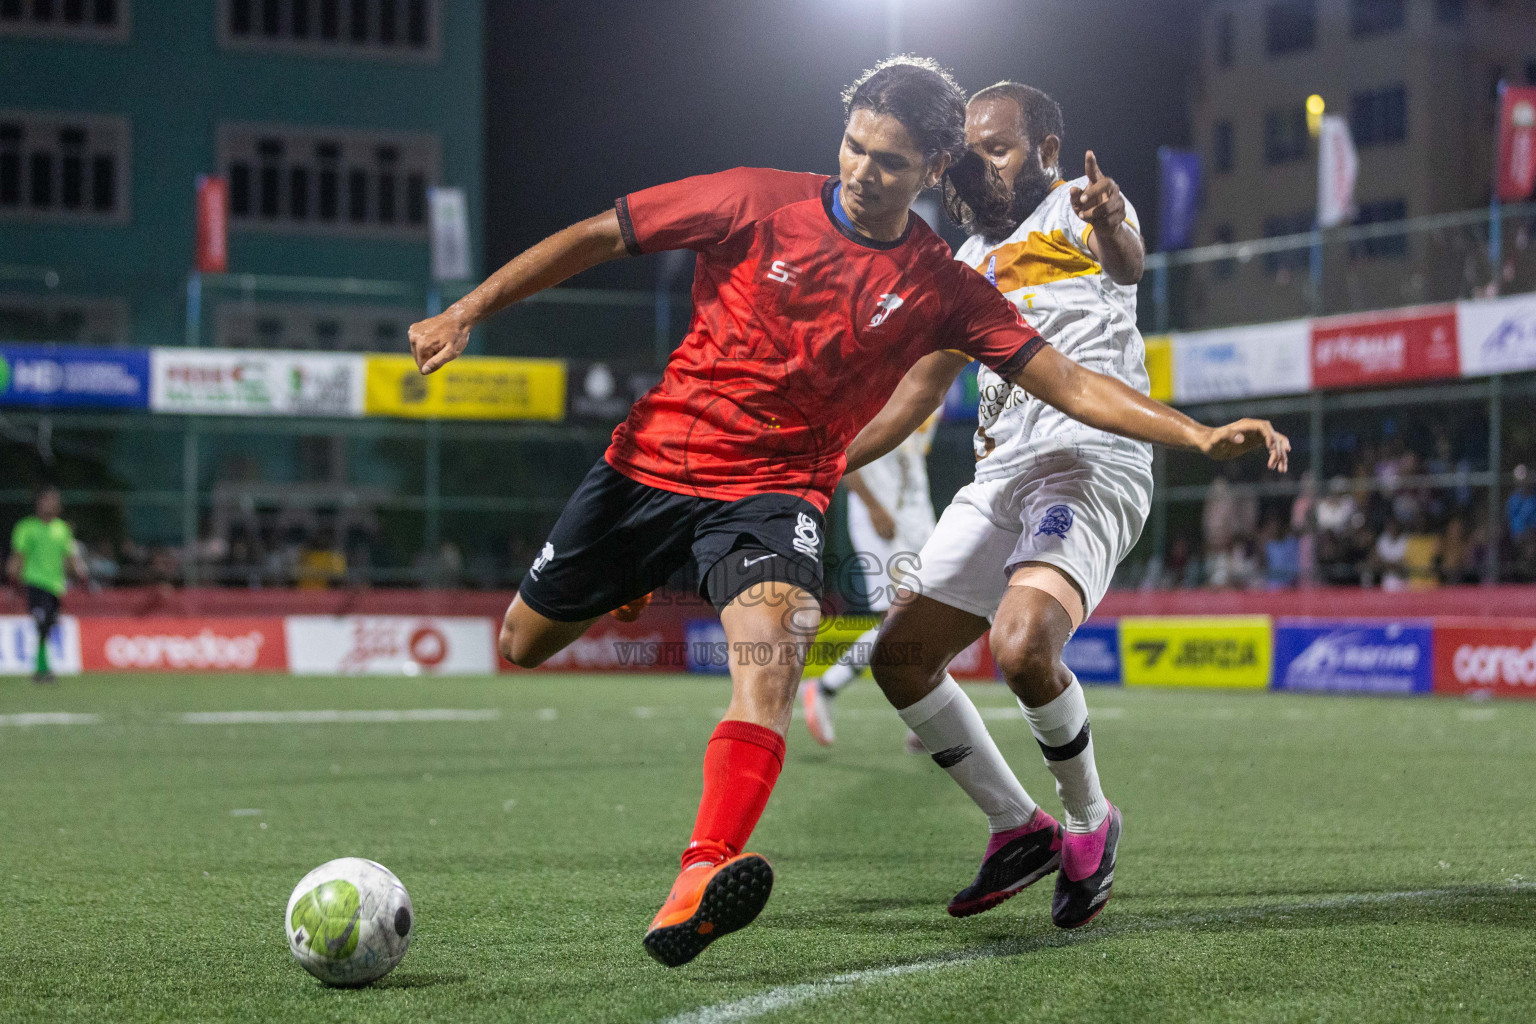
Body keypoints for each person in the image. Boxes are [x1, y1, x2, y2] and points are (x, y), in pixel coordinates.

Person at [406, 58, 1289, 967]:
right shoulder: (766, 203)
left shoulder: (986, 259)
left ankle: (706, 870)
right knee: (534, 644)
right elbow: (606, 233)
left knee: (788, 658)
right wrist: (469, 311)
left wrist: (1197, 435)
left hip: (839, 488)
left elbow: (1076, 367)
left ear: (934, 169)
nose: (865, 171)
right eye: (855, 148)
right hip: (660, 466)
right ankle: (1015, 824)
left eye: (893, 161)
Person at [840, 82, 1290, 930]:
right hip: (1002, 475)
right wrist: (816, 460)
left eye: (999, 148)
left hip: (1091, 462)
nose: (981, 164)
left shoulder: (1075, 211)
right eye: (971, 151)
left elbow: (1125, 257)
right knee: (900, 659)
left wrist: (1112, 213)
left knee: (1020, 645)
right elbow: (913, 399)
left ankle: (1090, 820)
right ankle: (1018, 826)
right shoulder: (963, 263)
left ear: (1047, 151)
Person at [799, 412, 938, 746]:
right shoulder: (886, 379)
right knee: (902, 618)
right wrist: (873, 506)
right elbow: (843, 453)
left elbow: (912, 455)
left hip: (918, 517)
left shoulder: (938, 391)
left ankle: (828, 687)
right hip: (883, 519)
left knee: (930, 616)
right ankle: (921, 716)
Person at [6, 486, 88, 683]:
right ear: (39, 503)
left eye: (55, 500)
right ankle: (42, 669)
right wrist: (13, 578)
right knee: (42, 623)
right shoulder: (26, 527)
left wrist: (80, 573)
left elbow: (70, 557)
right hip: (34, 583)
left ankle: (41, 667)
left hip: (55, 585)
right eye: (48, 500)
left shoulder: (62, 529)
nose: (53, 504)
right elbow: (18, 556)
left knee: (49, 625)